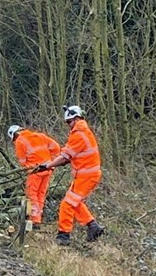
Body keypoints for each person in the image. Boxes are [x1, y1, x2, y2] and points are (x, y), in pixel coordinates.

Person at [37, 105, 105, 246]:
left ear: (75, 118)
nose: (68, 125)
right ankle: (93, 227)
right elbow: (70, 156)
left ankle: (64, 236)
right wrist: (59, 161)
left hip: (87, 176)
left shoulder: (79, 134)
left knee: (67, 204)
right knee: (75, 202)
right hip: (87, 175)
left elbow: (64, 156)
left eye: (69, 122)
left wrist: (48, 165)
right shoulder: (83, 132)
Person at [7, 125, 60, 228]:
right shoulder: (40, 136)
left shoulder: (20, 141)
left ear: (15, 135)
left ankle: (34, 220)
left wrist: (29, 166)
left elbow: (22, 161)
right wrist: (52, 161)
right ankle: (38, 217)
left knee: (32, 195)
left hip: (34, 171)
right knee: (41, 194)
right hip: (48, 169)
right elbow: (56, 147)